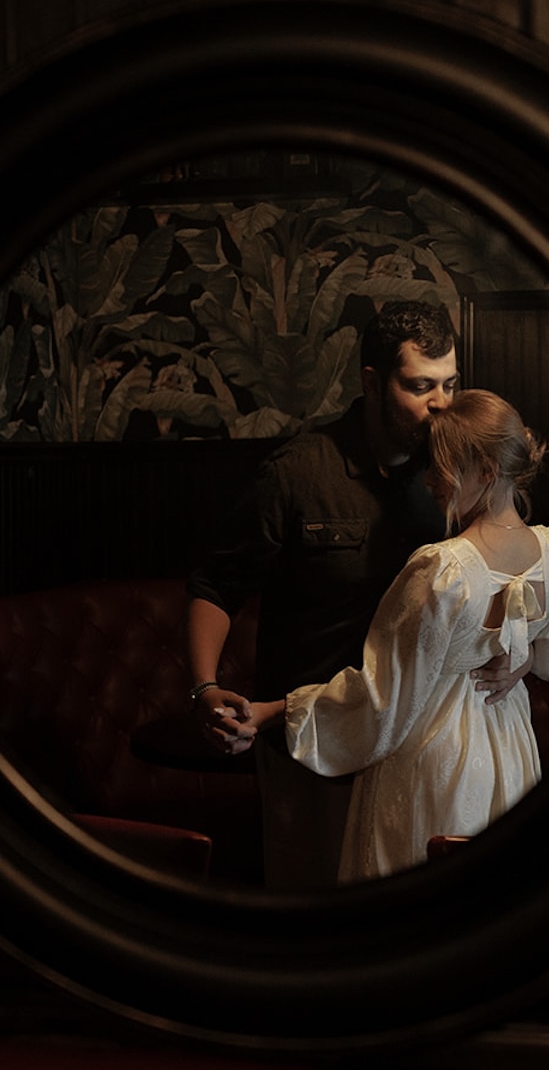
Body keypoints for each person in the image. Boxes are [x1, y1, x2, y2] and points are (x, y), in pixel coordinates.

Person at [186, 300, 522, 890]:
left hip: (416, 749)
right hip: (307, 745)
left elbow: (508, 569)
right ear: (372, 382)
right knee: (315, 927)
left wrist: (512, 656)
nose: (441, 403)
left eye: (449, 384)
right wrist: (206, 687)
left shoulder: (458, 471)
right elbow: (216, 584)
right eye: (421, 387)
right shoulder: (297, 473)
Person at [225, 389, 549, 882]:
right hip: (511, 752)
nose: (429, 480)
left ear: (487, 472)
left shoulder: (443, 570)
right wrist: (518, 660)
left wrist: (275, 711)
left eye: (442, 466)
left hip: (436, 756)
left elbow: (382, 700)